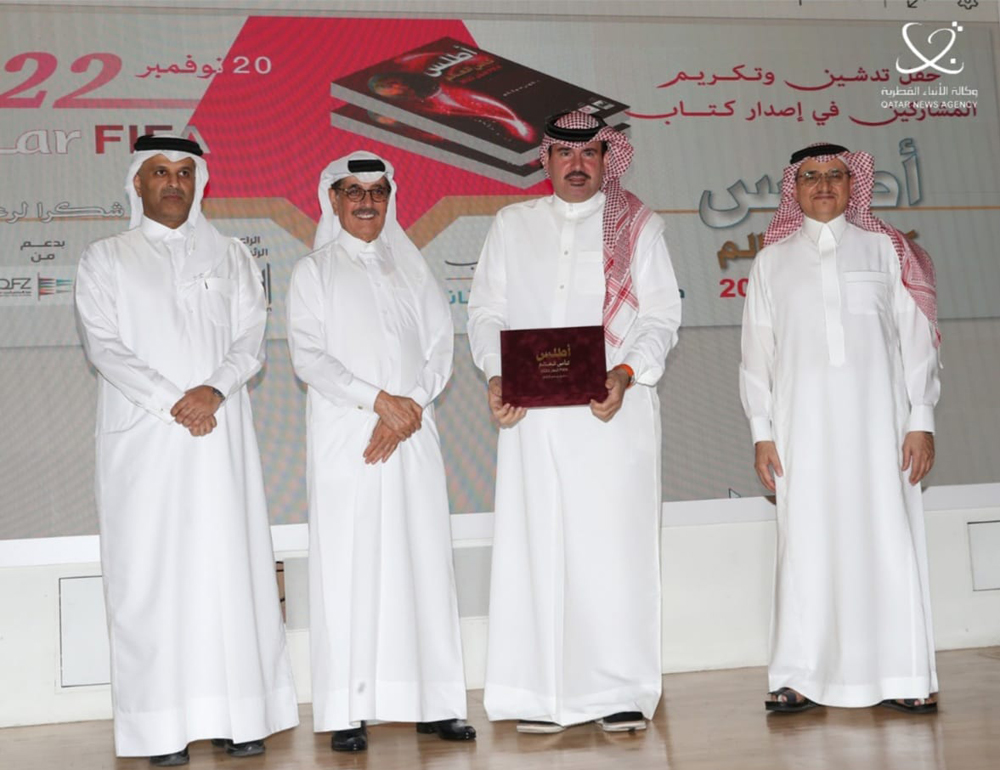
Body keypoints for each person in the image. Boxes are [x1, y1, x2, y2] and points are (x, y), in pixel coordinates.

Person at [74, 135, 298, 766]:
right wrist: (174, 400)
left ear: (198, 182)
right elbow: (104, 346)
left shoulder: (231, 255)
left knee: (229, 570)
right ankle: (160, 730)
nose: (173, 183)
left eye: (183, 172)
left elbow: (250, 336)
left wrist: (213, 390)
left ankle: (240, 717)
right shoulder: (105, 258)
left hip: (219, 436)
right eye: (159, 172)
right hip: (144, 443)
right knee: (151, 578)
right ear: (137, 183)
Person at [467, 112, 682, 733]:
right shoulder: (513, 225)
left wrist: (627, 373)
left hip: (612, 414)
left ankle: (619, 691)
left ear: (607, 159)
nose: (578, 165)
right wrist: (497, 374)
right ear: (546, 161)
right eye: (565, 153)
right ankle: (538, 694)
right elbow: (486, 311)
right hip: (532, 419)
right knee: (537, 549)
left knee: (611, 551)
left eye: (590, 153)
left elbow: (660, 317)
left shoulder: (638, 227)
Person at [739, 143, 941, 714]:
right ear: (794, 188)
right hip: (799, 434)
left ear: (854, 185)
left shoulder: (886, 250)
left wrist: (921, 420)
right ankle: (800, 676)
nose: (823, 184)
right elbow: (756, 356)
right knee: (806, 546)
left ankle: (902, 673)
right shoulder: (771, 261)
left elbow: (917, 343)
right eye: (810, 176)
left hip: (882, 429)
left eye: (834, 174)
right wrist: (762, 432)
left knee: (888, 539)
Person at [286, 151, 475, 752]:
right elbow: (309, 357)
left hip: (413, 435)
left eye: (377, 192)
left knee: (423, 562)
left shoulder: (412, 268)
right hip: (349, 440)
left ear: (389, 200)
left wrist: (409, 406)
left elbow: (440, 347)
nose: (367, 202)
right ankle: (347, 710)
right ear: (333, 199)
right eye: (354, 191)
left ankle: (436, 704)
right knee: (350, 566)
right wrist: (379, 402)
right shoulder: (312, 272)